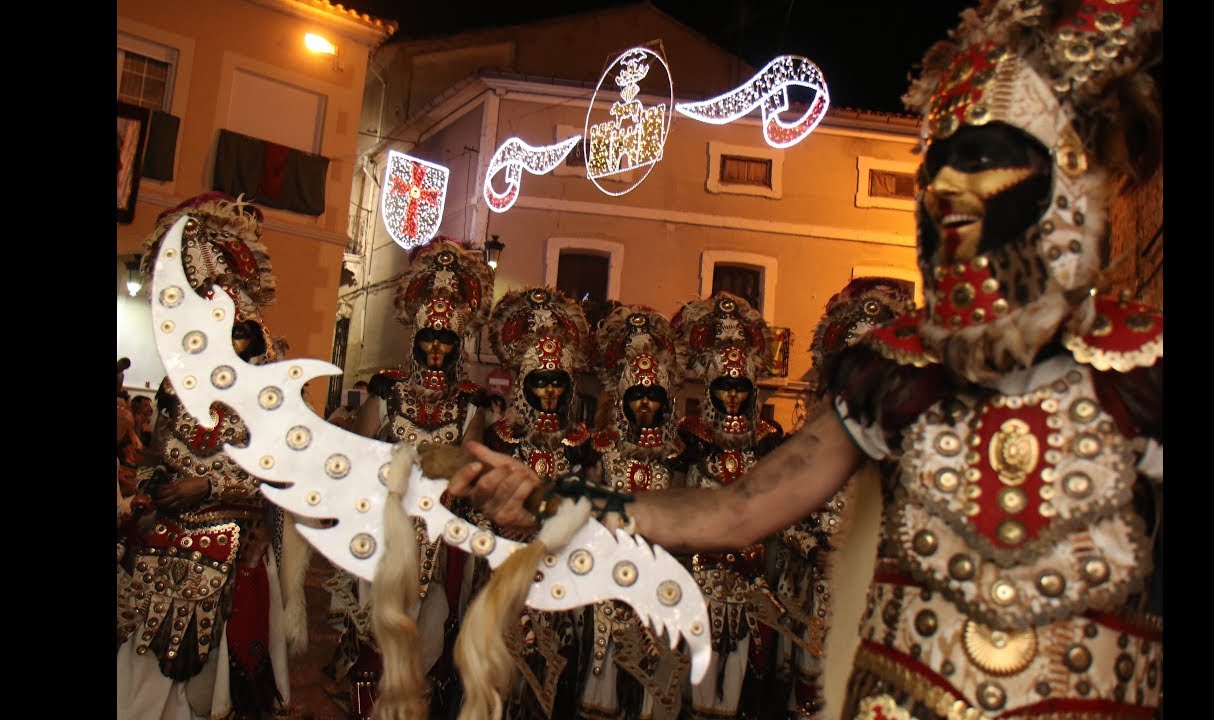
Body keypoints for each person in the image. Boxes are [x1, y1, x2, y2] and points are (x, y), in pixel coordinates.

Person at [447, 1, 1164, 717]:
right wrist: (553, 498)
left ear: (1065, 175)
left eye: (979, 160)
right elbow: (733, 512)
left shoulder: (1145, 371)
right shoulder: (893, 375)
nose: (943, 188)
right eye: (937, 164)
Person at [116, 192, 311, 720]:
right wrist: (150, 492)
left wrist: (209, 487)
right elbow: (153, 460)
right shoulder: (175, 390)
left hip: (237, 550)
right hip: (161, 545)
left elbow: (281, 477)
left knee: (220, 684)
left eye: (238, 331)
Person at [325, 237, 496, 719]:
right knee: (376, 646)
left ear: (457, 345)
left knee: (428, 646)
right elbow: (359, 464)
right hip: (383, 541)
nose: (437, 348)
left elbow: (469, 474)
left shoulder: (470, 406)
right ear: (416, 339)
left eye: (446, 339)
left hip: (439, 551)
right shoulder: (387, 394)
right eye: (429, 338)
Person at [769, 277, 914, 718]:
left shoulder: (909, 451)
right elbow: (784, 516)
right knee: (813, 690)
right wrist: (813, 548)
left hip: (879, 601)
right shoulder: (808, 446)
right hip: (817, 593)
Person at [480, 285, 596, 720]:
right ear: (524, 385)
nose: (549, 391)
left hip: (563, 580)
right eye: (540, 381)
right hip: (508, 577)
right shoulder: (501, 439)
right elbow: (480, 509)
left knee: (556, 679)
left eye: (557, 382)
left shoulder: (581, 445)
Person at [668, 291, 785, 720]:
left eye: (739, 387)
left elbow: (776, 518)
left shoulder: (767, 442)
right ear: (709, 388)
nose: (732, 396)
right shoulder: (692, 439)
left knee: (738, 683)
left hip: (750, 583)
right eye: (724, 386)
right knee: (698, 679)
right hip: (701, 580)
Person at [578, 305, 690, 720]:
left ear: (665, 402)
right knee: (603, 671)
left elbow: (682, 519)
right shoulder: (601, 449)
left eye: (653, 397)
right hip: (608, 580)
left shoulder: (676, 456)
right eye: (637, 396)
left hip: (658, 579)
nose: (645, 404)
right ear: (622, 400)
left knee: (652, 673)